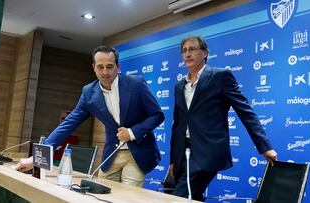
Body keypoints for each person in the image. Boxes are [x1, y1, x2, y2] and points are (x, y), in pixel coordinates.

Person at [16, 45, 164, 187]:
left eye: (110, 66)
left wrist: (132, 133)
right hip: (111, 155)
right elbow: (68, 124)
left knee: (127, 199)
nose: (105, 72)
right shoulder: (89, 93)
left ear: (118, 67)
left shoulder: (136, 84)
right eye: (100, 67)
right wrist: (35, 158)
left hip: (137, 154)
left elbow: (157, 115)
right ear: (93, 67)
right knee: (101, 195)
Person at [170, 36, 277, 201]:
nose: (187, 54)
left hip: (207, 152)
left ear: (205, 53)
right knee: (193, 196)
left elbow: (245, 111)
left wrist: (264, 146)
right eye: (184, 51)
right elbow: (177, 124)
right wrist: (173, 159)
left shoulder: (220, 76)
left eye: (192, 49)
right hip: (182, 153)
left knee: (180, 197)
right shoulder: (179, 86)